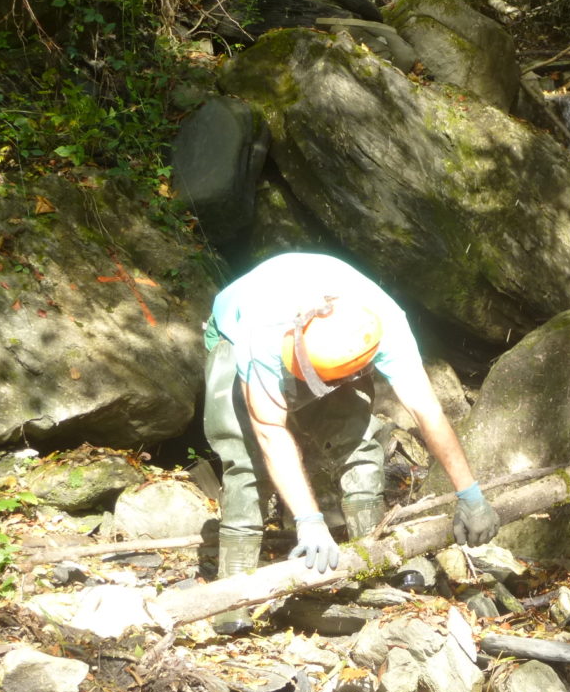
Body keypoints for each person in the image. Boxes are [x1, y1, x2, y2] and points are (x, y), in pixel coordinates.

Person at [202, 252, 500, 632]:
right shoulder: (260, 335)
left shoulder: (382, 327)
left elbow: (429, 413)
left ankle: (374, 564)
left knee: (359, 439)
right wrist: (309, 522)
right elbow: (268, 430)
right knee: (247, 460)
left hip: (336, 352)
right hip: (234, 333)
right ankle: (233, 595)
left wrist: (470, 495)